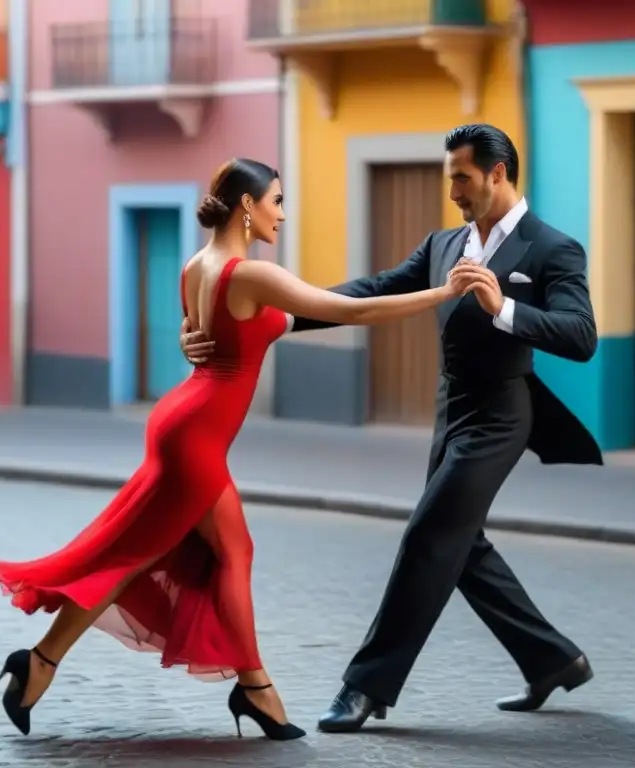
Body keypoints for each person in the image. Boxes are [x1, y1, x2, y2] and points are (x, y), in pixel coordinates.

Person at [0, 158, 491, 741]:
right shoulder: (253, 275)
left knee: (206, 552)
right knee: (143, 555)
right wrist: (445, 290)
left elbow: (200, 338)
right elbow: (354, 311)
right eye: (277, 200)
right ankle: (241, 689)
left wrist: (186, 338)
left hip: (183, 423)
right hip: (196, 437)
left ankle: (230, 685)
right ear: (247, 206)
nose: (282, 212)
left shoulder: (195, 266)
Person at [181, 125, 605, 733]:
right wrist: (257, 320)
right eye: (450, 177)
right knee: (461, 544)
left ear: (498, 173)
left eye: (462, 177)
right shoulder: (444, 243)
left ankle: (366, 686)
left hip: (501, 417)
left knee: (430, 535)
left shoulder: (552, 249)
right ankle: (554, 659)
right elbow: (373, 291)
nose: (453, 190)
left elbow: (580, 335)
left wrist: (504, 308)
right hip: (451, 412)